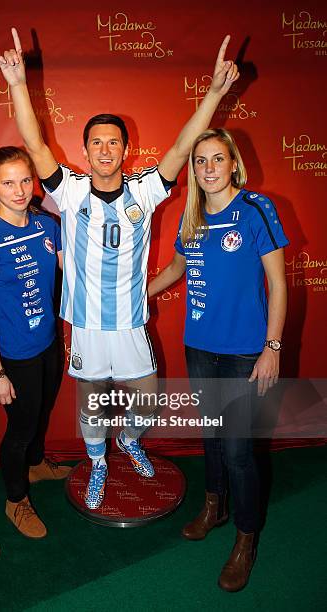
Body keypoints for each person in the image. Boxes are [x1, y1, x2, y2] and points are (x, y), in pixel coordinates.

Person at [0, 28, 239, 510]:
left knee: (146, 397)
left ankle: (128, 439)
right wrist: (18, 85)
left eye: (113, 143)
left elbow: (178, 148)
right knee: (90, 400)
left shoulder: (147, 189)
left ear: (125, 150)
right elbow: (35, 141)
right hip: (86, 322)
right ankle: (99, 461)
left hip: (129, 320)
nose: (105, 150)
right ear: (85, 152)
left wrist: (212, 94)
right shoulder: (68, 191)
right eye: (96, 143)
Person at [148, 128, 288, 591]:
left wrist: (272, 348)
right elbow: (175, 269)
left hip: (246, 352)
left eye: (216, 159)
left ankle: (246, 538)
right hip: (200, 347)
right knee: (211, 434)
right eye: (200, 161)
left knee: (238, 449)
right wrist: (132, 296)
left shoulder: (256, 209)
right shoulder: (190, 217)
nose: (208, 168)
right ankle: (215, 505)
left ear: (233, 164)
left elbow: (279, 284)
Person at [0, 146, 69, 539]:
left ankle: (37, 464)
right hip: (15, 354)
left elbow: (74, 271)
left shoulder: (47, 225)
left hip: (49, 342)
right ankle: (15, 500)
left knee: (41, 413)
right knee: (20, 429)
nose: (19, 190)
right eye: (8, 183)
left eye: (26, 180)